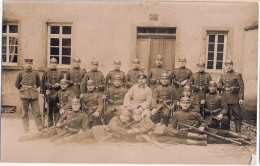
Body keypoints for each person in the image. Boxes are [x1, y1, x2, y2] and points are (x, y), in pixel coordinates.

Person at [152, 97, 250, 145]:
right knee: (215, 140)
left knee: (221, 132)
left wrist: (202, 126)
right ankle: (238, 141)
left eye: (187, 103)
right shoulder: (177, 114)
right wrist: (164, 128)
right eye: (184, 103)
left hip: (200, 130)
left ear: (190, 104)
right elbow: (172, 128)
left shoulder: (194, 113)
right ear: (180, 104)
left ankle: (241, 136)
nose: (186, 105)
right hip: (191, 134)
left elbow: (203, 121)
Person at [18, 97, 89, 142]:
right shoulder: (68, 111)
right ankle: (26, 138)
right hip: (62, 128)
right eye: (73, 105)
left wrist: (82, 133)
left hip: (71, 133)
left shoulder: (83, 115)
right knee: (46, 133)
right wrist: (59, 123)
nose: (75, 107)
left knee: (58, 141)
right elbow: (62, 118)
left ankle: (56, 138)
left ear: (79, 105)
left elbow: (85, 128)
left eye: (76, 105)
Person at [54, 109, 133, 145]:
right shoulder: (115, 119)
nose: (124, 118)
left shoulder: (126, 125)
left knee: (85, 143)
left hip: (103, 137)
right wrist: (126, 131)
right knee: (80, 137)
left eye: (127, 117)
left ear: (128, 119)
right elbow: (115, 128)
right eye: (123, 115)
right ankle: (63, 141)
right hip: (98, 130)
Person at [15, 58, 43, 133]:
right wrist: (23, 89)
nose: (29, 65)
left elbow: (38, 83)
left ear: (32, 64)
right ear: (25, 64)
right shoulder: (21, 73)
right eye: (27, 63)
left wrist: (32, 88)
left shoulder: (35, 73)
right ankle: (26, 129)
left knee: (37, 112)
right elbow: (16, 84)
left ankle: (40, 128)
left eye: (30, 63)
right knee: (24, 113)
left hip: (34, 95)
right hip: (24, 95)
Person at [218, 59, 244, 133]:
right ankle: (226, 132)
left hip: (234, 98)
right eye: (227, 65)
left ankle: (238, 132)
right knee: (226, 115)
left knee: (237, 115)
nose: (228, 66)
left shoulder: (237, 75)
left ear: (232, 65)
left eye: (230, 65)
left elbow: (241, 87)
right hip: (225, 98)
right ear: (225, 66)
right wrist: (220, 86)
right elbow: (219, 85)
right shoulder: (223, 75)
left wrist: (241, 98)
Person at [40, 57, 64, 127]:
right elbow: (42, 82)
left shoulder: (60, 73)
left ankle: (56, 124)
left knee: (56, 109)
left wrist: (59, 84)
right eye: (52, 63)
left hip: (57, 93)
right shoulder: (46, 72)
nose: (53, 65)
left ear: (57, 64)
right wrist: (42, 92)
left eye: (55, 63)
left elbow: (63, 83)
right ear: (50, 64)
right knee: (49, 109)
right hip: (49, 93)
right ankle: (50, 125)